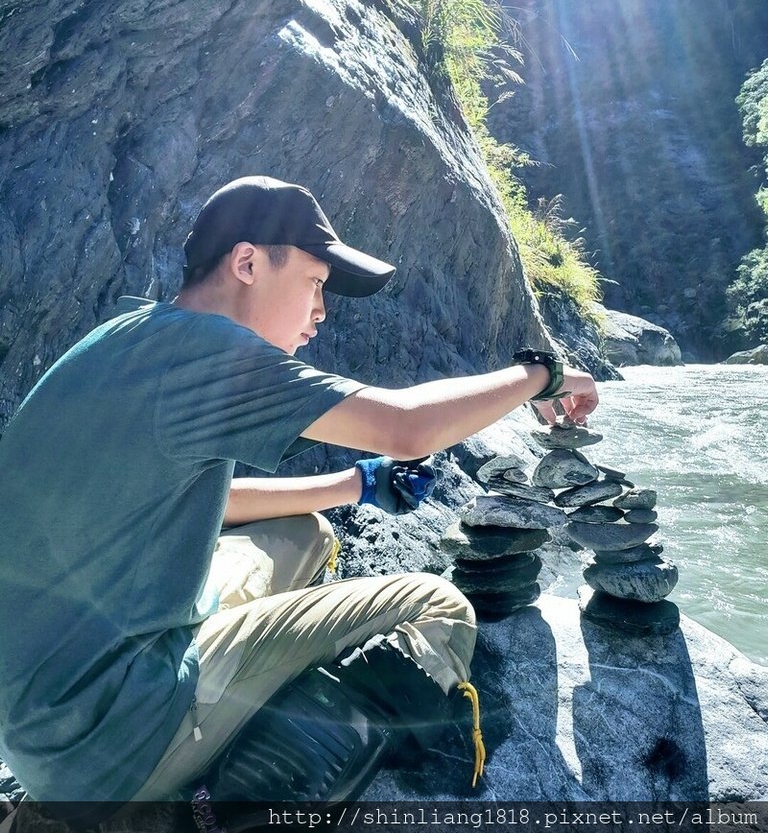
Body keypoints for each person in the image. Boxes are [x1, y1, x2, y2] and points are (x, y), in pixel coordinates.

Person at [0, 176, 598, 809]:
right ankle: (238, 805)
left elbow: (207, 504)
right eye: (315, 283)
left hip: (41, 724)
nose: (322, 310)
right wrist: (544, 374)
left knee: (304, 534)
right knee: (440, 607)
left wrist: (355, 486)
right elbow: (405, 426)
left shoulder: (131, 335)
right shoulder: (209, 355)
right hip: (115, 743)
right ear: (248, 263)